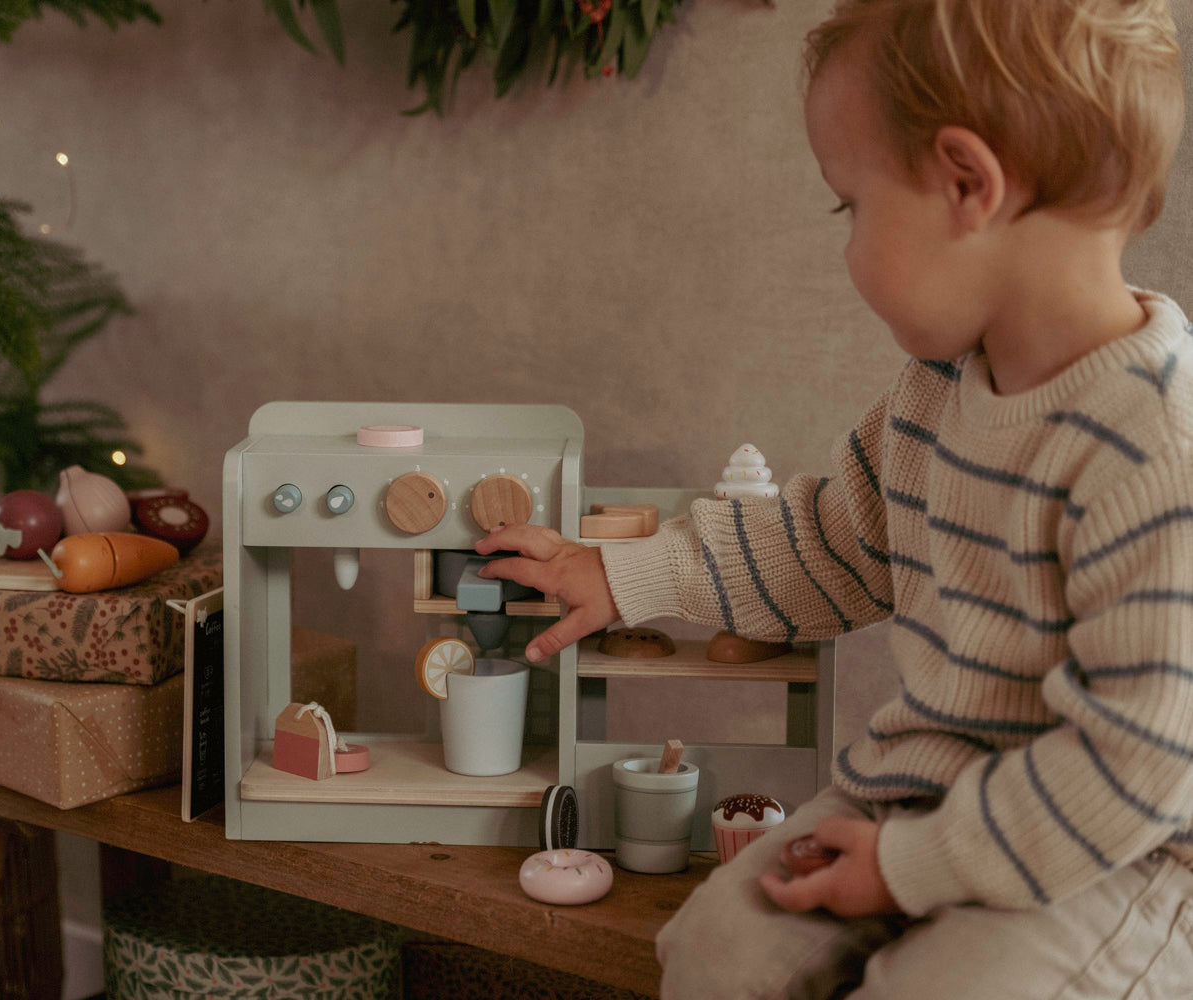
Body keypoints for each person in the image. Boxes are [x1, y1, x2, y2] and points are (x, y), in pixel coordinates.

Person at [476, 1, 1193, 996]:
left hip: (1116, 854)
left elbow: (1137, 765)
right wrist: (627, 573)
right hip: (923, 794)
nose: (847, 240)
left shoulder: (1156, 449)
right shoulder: (935, 392)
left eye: (850, 205)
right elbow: (830, 542)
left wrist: (906, 868)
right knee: (718, 947)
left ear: (965, 183)